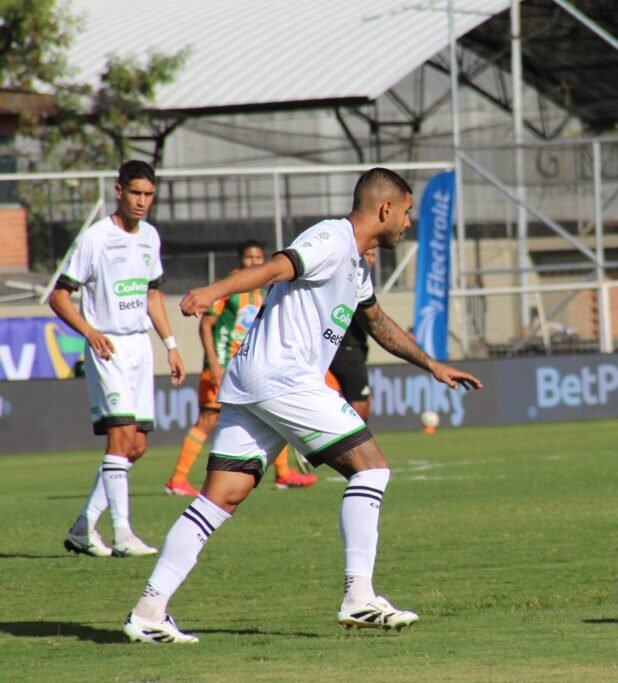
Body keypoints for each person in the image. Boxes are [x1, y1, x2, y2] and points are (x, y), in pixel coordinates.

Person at [123, 167, 483, 644]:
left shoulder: (356, 266)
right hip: (284, 377)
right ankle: (359, 596)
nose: (408, 222)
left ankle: (148, 610)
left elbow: (378, 323)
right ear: (385, 208)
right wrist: (213, 291)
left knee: (220, 497)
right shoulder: (332, 238)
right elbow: (277, 267)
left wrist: (431, 364)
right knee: (371, 468)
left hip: (254, 380)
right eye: (407, 212)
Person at [50, 159, 186, 558]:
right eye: (136, 193)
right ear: (119, 191)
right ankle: (123, 535)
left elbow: (152, 294)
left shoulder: (150, 237)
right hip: (107, 347)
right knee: (121, 438)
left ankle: (82, 528)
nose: (142, 201)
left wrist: (171, 344)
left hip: (140, 347)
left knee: (136, 446)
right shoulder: (95, 238)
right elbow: (59, 297)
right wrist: (90, 332)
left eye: (149, 195)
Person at [165, 240, 317, 495]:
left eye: (258, 258)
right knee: (208, 420)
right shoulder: (230, 286)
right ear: (240, 260)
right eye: (249, 257)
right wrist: (214, 363)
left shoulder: (260, 290)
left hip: (248, 367)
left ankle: (283, 474)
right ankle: (177, 479)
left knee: (271, 414)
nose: (254, 262)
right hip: (223, 365)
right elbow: (206, 326)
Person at [325, 248, 376, 421]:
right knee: (361, 406)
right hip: (346, 350)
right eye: (367, 255)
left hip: (354, 349)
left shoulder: (364, 280)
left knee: (355, 403)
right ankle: (354, 438)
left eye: (373, 255)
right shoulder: (349, 278)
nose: (370, 259)